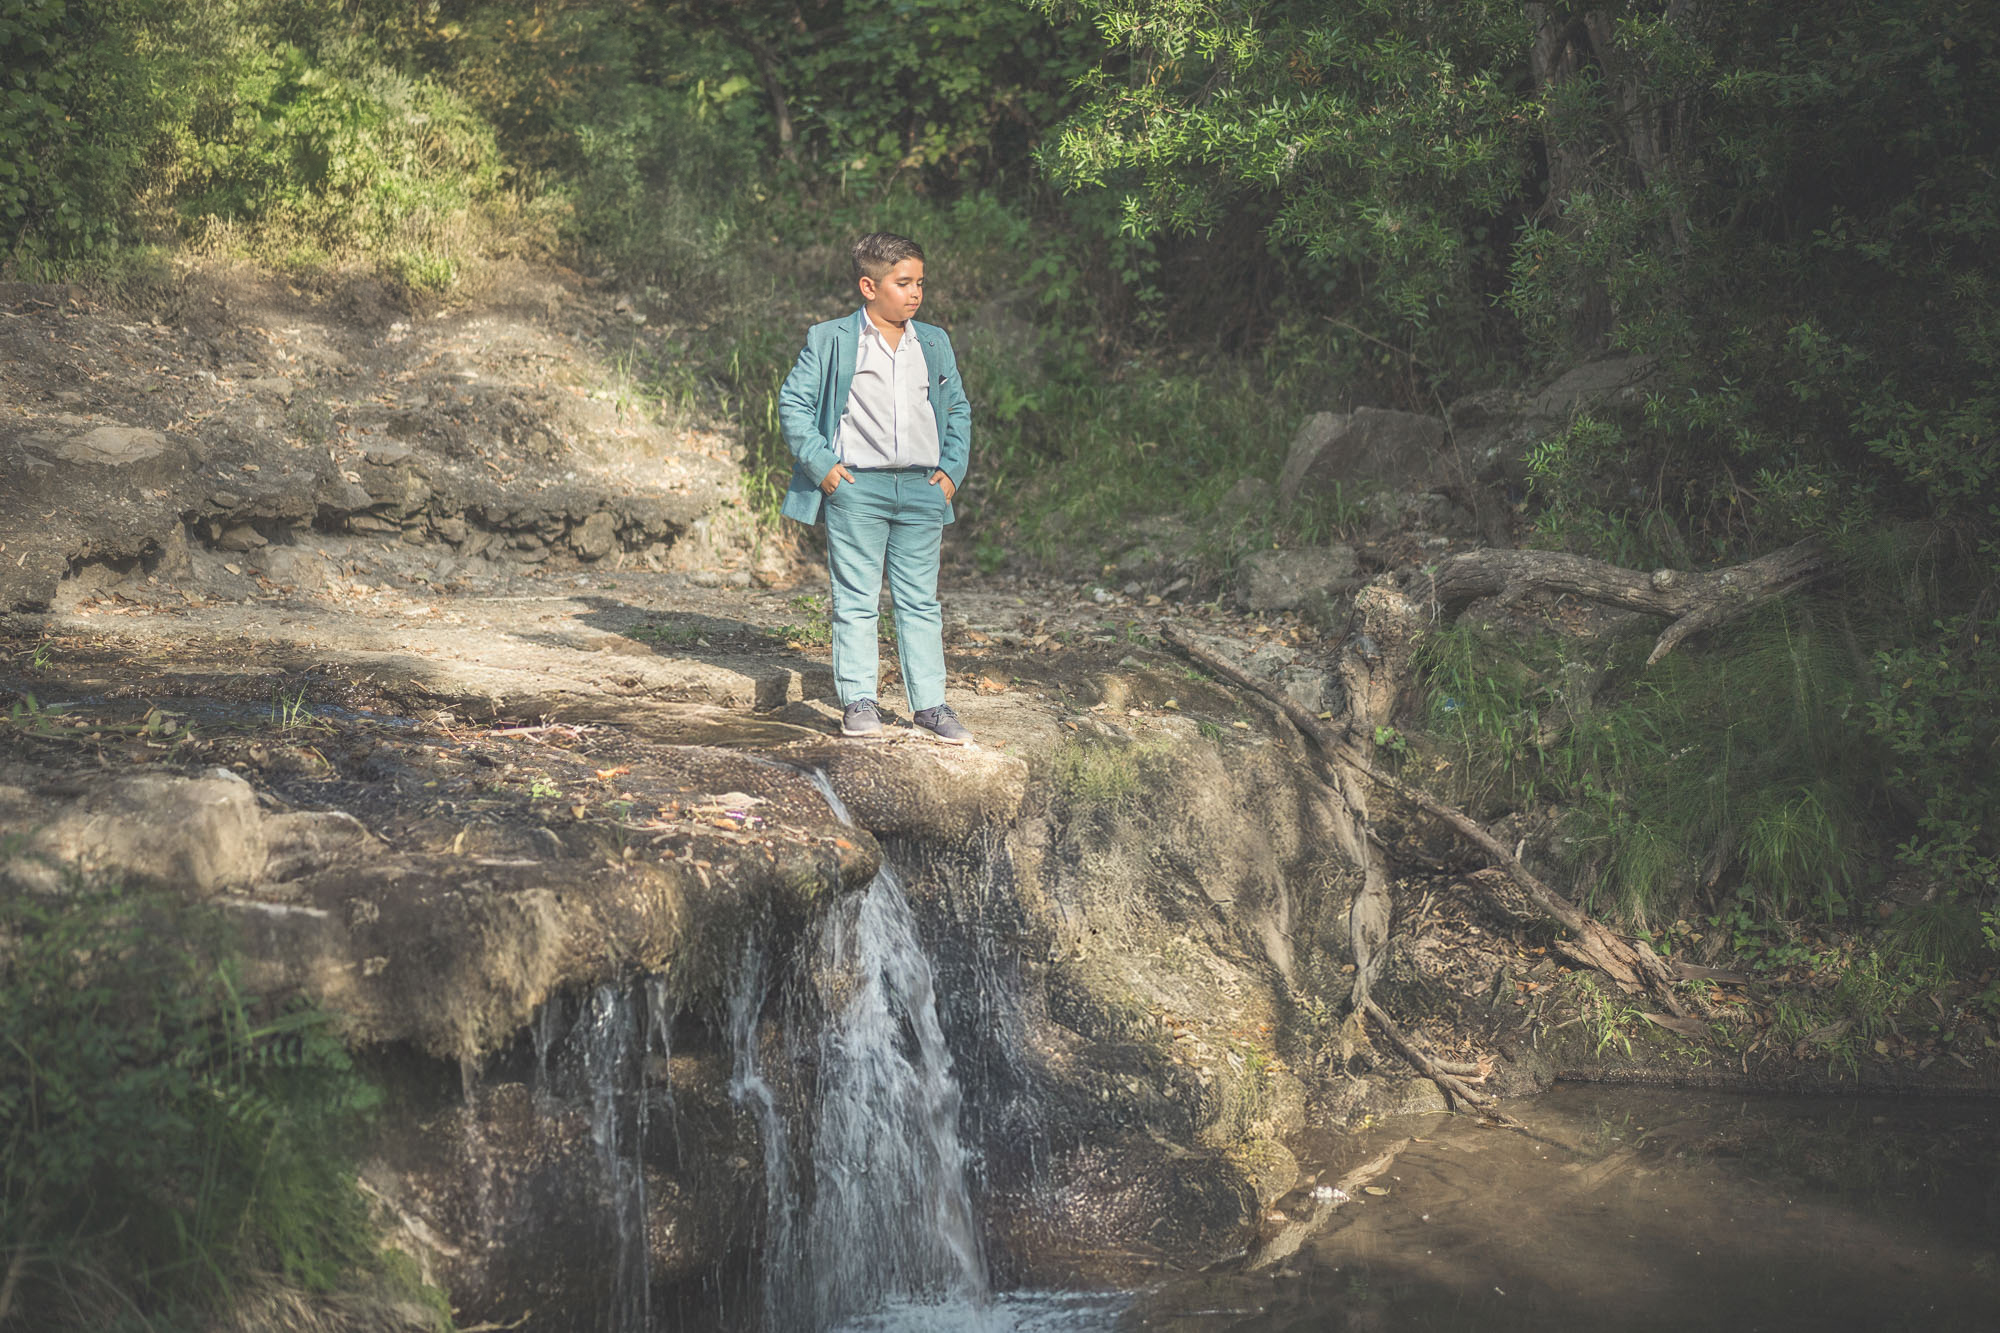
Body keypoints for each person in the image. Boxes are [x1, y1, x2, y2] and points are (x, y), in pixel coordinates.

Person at [777, 232, 974, 744]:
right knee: (856, 599)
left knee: (921, 602)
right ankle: (859, 700)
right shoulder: (831, 338)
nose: (916, 293)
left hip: (923, 488)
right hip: (856, 488)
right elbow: (794, 403)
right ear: (869, 286)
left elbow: (957, 408)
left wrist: (951, 470)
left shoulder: (933, 342)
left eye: (920, 282)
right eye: (903, 283)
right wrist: (822, 465)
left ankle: (930, 705)